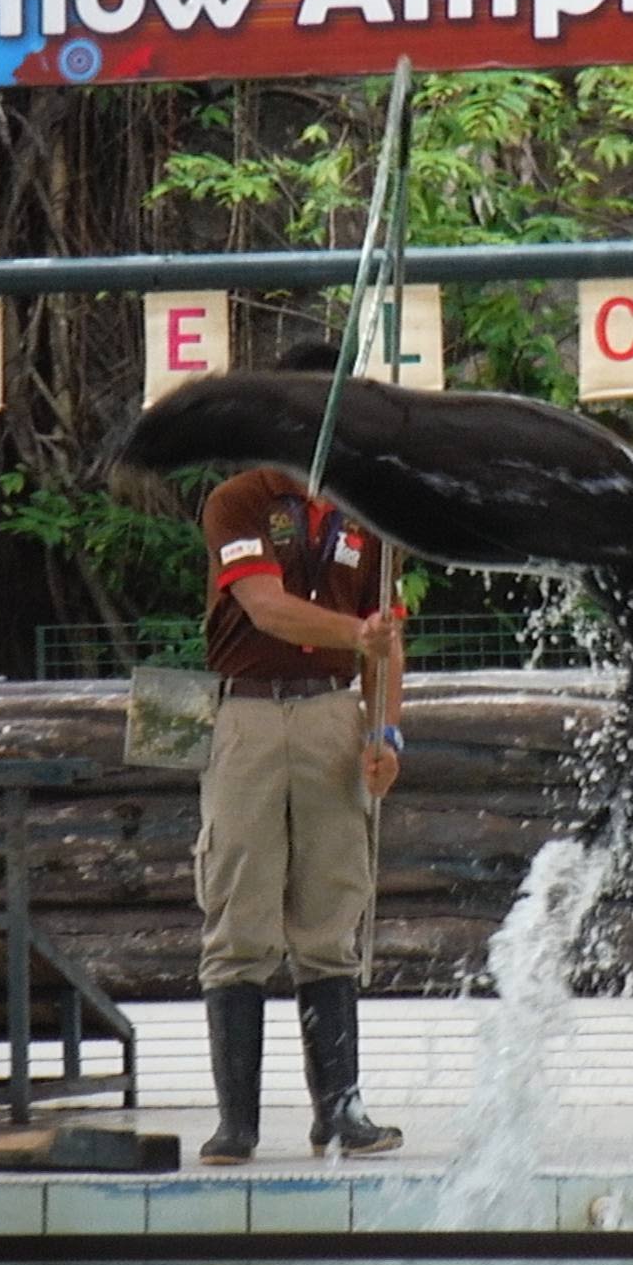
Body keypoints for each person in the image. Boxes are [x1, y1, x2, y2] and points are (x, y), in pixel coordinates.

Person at [195, 340, 405, 1164]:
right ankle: (237, 1121)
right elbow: (265, 606)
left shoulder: (370, 516)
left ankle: (339, 1110)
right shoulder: (239, 501)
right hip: (249, 716)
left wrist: (386, 731)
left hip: (331, 714)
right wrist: (358, 633)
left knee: (331, 913)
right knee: (240, 907)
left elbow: (390, 640)